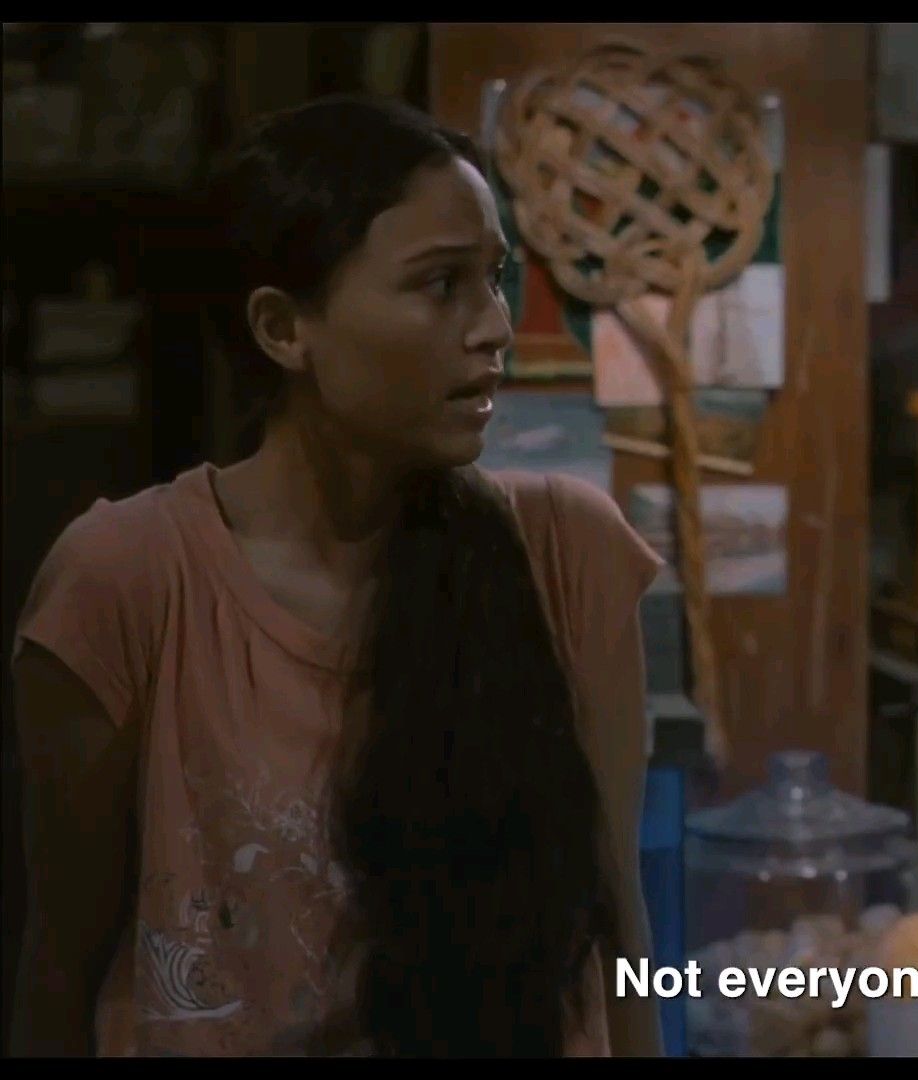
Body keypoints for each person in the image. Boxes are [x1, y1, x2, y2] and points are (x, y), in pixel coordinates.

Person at [9, 95, 664, 1057]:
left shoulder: (567, 550)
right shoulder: (129, 578)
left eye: (494, 279)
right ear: (284, 329)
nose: (494, 327)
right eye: (441, 284)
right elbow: (60, 963)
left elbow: (619, 934)